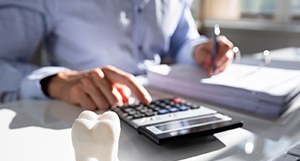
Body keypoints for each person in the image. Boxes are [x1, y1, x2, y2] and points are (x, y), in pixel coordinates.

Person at [0, 0, 234, 110]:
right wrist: (54, 81)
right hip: (80, 114)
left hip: (161, 108)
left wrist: (198, 51)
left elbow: (181, 41)